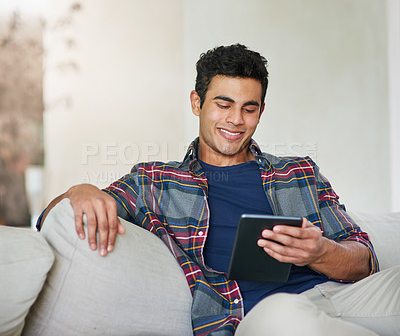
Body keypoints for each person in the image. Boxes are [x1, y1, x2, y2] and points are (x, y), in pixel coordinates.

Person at [37, 44, 400, 336]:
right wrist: (79, 190)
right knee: (283, 316)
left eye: (249, 108)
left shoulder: (299, 171)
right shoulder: (156, 181)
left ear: (261, 112)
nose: (235, 120)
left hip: (345, 297)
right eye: (223, 104)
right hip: (263, 315)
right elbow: (51, 217)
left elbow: (363, 261)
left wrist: (320, 251)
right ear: (197, 102)